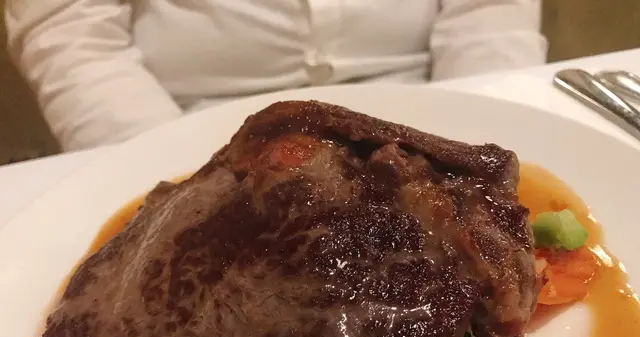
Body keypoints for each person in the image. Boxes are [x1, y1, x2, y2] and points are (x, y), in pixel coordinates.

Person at [5, 1, 545, 152]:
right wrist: (175, 175)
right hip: (189, 129)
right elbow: (71, 33)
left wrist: (468, 148)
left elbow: (488, 14)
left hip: (428, 105)